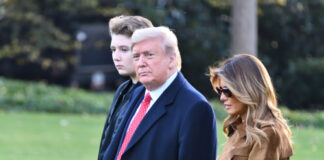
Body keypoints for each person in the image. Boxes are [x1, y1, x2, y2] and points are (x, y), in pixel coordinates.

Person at [103, 26, 217, 160]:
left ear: (172, 60)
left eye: (149, 55)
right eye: (136, 56)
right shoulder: (138, 94)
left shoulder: (195, 107)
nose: (140, 63)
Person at [209, 54, 293, 160]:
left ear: (246, 90)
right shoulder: (238, 124)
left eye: (227, 91)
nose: (222, 97)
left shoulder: (266, 132)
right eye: (220, 90)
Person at [98, 15, 153, 160]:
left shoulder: (152, 95)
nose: (116, 56)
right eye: (113, 49)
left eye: (123, 49)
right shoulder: (123, 89)